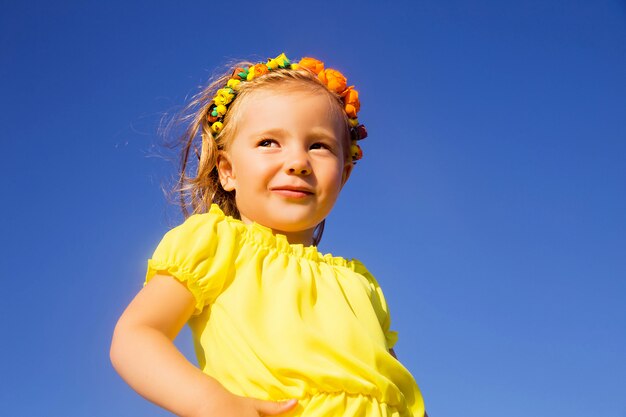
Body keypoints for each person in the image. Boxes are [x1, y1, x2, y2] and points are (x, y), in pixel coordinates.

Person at [110, 53, 426, 417]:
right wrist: (209, 402)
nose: (297, 162)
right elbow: (136, 335)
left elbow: (397, 387)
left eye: (318, 145)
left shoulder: (361, 284)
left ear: (344, 175)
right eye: (268, 143)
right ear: (227, 171)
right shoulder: (215, 243)